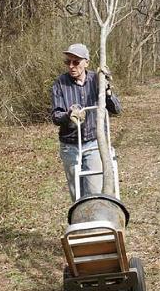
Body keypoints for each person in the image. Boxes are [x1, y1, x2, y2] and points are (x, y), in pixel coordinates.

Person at [51, 43, 121, 201]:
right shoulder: (60, 83)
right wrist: (69, 115)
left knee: (93, 193)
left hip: (93, 143)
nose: (71, 66)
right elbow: (56, 116)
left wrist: (107, 90)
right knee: (78, 197)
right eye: (68, 62)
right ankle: (81, 224)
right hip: (70, 146)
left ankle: (94, 223)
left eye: (76, 62)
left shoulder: (97, 80)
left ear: (86, 62)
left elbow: (116, 109)